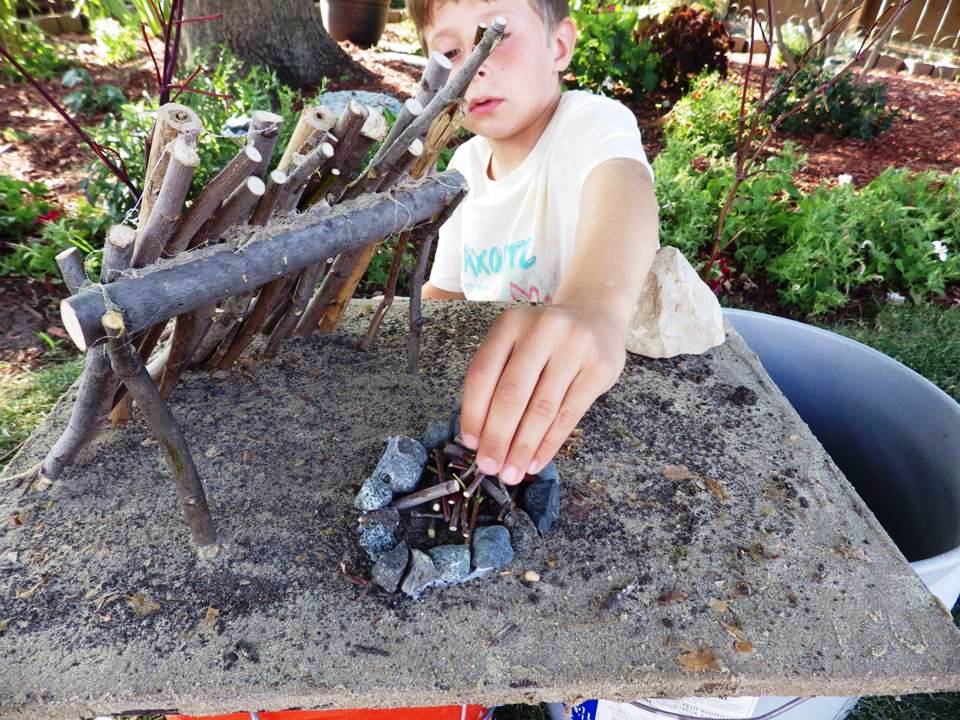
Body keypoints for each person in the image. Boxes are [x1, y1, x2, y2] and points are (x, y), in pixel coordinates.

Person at [408, 0, 659, 486]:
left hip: (576, 398)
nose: (474, 66)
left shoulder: (589, 123)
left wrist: (595, 306)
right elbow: (448, 292)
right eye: (451, 53)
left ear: (558, 45)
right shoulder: (464, 167)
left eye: (495, 35)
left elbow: (625, 190)